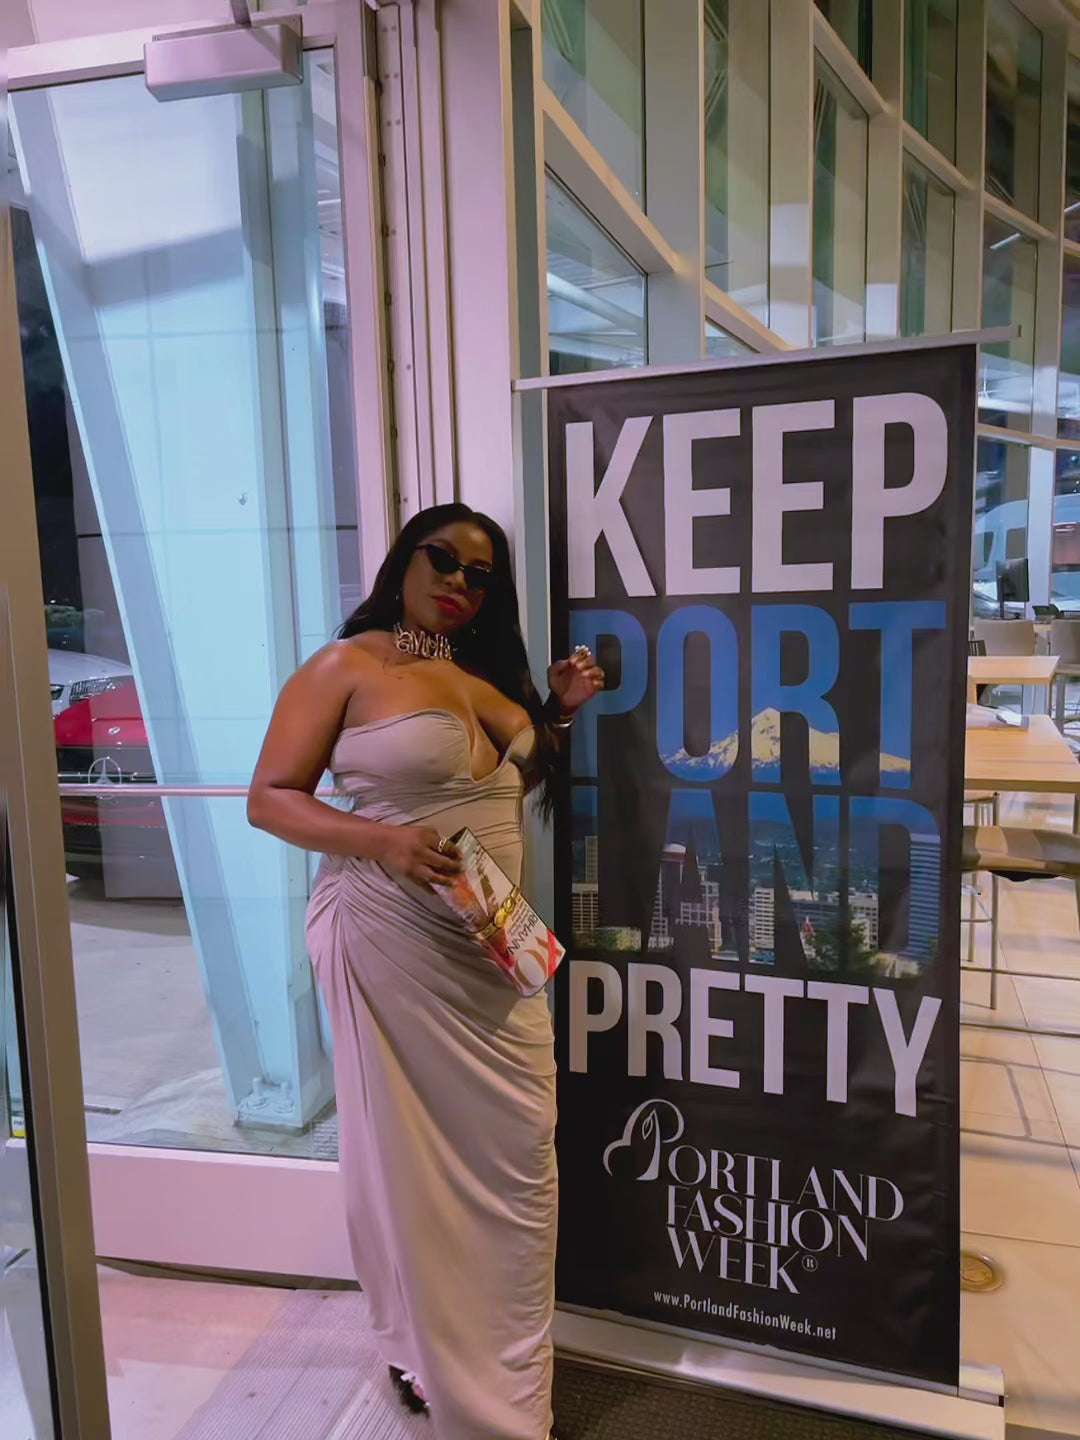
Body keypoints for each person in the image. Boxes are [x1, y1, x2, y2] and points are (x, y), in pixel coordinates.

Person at [247, 503, 604, 1440]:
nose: (457, 582)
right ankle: (456, 1381)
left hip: (492, 952)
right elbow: (269, 798)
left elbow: (503, 783)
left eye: (479, 574)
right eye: (442, 559)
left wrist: (557, 712)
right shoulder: (347, 666)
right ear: (404, 560)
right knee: (409, 1166)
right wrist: (382, 842)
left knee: (522, 1156)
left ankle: (488, 1370)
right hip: (389, 936)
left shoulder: (476, 674)